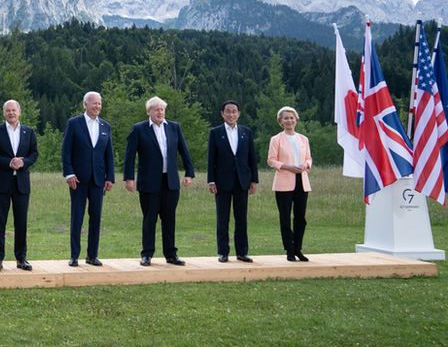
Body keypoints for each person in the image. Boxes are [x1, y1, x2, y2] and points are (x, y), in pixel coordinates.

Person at [124, 96, 195, 266]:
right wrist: (129, 178)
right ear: (149, 112)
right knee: (149, 219)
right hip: (149, 183)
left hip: (170, 182)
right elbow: (129, 155)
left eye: (162, 109)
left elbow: (184, 151)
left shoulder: (174, 128)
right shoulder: (139, 129)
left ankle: (171, 254)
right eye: (156, 109)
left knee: (169, 219)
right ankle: (147, 254)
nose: (160, 112)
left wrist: (189, 173)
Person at [62, 91, 114, 267]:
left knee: (96, 217)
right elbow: (66, 151)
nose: (97, 106)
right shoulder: (74, 123)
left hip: (98, 180)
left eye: (99, 103)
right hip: (77, 179)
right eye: (94, 103)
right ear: (85, 104)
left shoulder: (106, 126)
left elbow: (109, 155)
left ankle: (92, 255)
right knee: (77, 217)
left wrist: (110, 177)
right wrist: (69, 173)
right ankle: (74, 256)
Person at [0, 100, 39, 272]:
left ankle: (21, 258)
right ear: (3, 113)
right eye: (7, 111)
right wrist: (9, 162)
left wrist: (22, 163)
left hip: (22, 183)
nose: (11, 113)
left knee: (21, 222)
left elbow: (34, 154)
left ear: (19, 112)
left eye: (13, 110)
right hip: (1, 183)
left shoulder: (29, 132)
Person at [207, 100, 258, 263]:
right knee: (223, 219)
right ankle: (223, 252)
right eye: (228, 111)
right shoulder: (215, 132)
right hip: (222, 181)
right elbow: (211, 159)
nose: (231, 114)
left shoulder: (246, 132)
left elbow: (252, 158)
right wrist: (211, 181)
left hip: (242, 181)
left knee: (241, 218)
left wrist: (254, 180)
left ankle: (242, 252)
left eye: (234, 111)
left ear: (239, 113)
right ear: (222, 114)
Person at [267, 106, 312, 262]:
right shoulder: (276, 139)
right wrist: (288, 167)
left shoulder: (303, 139)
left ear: (296, 120)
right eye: (285, 118)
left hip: (302, 181)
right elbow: (271, 160)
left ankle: (298, 248)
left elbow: (309, 158)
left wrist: (306, 165)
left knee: (300, 217)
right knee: (285, 217)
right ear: (280, 121)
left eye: (291, 118)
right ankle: (289, 250)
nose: (289, 120)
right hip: (284, 182)